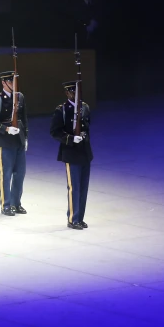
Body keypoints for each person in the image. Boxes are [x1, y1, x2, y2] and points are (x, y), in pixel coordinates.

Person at [49, 81, 93, 230]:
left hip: (85, 152)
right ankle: (73, 219)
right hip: (71, 152)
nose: (75, 95)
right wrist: (70, 138)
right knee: (74, 187)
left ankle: (80, 217)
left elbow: (87, 126)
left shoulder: (85, 107)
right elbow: (55, 132)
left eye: (77, 92)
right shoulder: (62, 110)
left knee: (84, 187)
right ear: (67, 93)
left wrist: (82, 135)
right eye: (72, 92)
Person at [0, 71, 28, 216]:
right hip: (5, 140)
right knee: (6, 174)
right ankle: (6, 204)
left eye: (14, 82)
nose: (13, 85)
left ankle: (17, 203)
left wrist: (26, 137)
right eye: (10, 82)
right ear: (4, 83)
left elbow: (24, 118)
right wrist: (6, 129)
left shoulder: (20, 97)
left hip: (19, 140)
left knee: (20, 174)